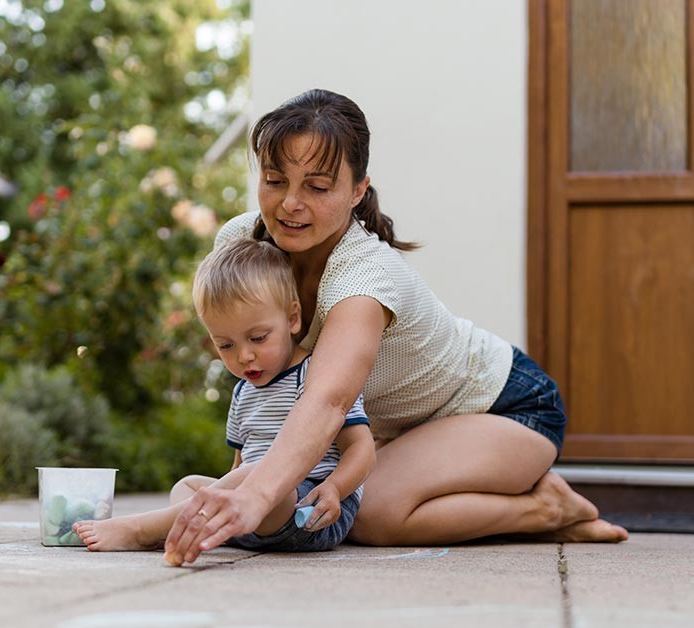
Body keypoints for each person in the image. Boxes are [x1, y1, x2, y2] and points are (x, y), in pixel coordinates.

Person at [161, 88, 628, 565]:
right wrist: (241, 484)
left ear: (358, 190)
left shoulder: (364, 276)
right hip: (399, 432)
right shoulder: (242, 241)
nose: (290, 204)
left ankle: (546, 507)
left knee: (372, 515)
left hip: (508, 410)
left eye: (318, 187)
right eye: (275, 181)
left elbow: (329, 399)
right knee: (335, 496)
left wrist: (255, 498)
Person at [74, 237, 375, 561]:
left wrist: (336, 488)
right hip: (250, 515)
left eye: (258, 338)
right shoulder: (243, 392)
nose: (244, 356)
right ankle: (198, 527)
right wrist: (227, 495)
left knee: (260, 474)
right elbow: (237, 467)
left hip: (307, 511)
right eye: (225, 345)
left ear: (292, 318)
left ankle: (142, 530)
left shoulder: (317, 375)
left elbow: (361, 448)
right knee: (189, 487)